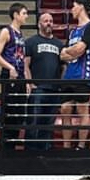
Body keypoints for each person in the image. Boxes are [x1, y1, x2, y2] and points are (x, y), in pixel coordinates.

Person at [57, 0, 90, 149]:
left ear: (81, 6)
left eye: (74, 6)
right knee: (65, 109)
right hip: (69, 75)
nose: (72, 9)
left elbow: (80, 50)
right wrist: (69, 52)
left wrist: (68, 51)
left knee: (82, 109)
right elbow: (62, 56)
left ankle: (80, 145)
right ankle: (66, 146)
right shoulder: (73, 31)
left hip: (83, 75)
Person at [0, 3, 29, 149]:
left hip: (19, 75)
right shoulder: (6, 31)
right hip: (9, 75)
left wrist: (26, 80)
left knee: (19, 112)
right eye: (24, 13)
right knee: (9, 111)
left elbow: (22, 58)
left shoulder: (20, 34)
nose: (26, 16)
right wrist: (10, 67)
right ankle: (5, 146)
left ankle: (12, 144)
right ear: (16, 15)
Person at [24, 12, 63, 150]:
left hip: (54, 90)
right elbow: (26, 65)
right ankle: (30, 155)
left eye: (51, 21)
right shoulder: (31, 42)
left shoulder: (59, 44)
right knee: (34, 122)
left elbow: (64, 67)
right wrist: (29, 83)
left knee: (48, 124)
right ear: (39, 23)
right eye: (46, 21)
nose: (49, 23)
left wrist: (60, 84)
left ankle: (45, 154)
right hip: (38, 89)